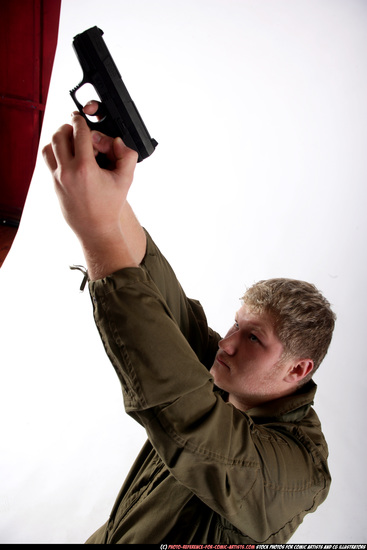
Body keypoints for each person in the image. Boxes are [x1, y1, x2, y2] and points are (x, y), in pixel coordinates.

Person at [42, 106, 336, 545]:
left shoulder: (297, 472)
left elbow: (187, 417)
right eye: (236, 325)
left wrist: (98, 235)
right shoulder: (230, 379)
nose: (228, 343)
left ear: (298, 369)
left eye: (253, 337)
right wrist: (111, 194)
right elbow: (163, 296)